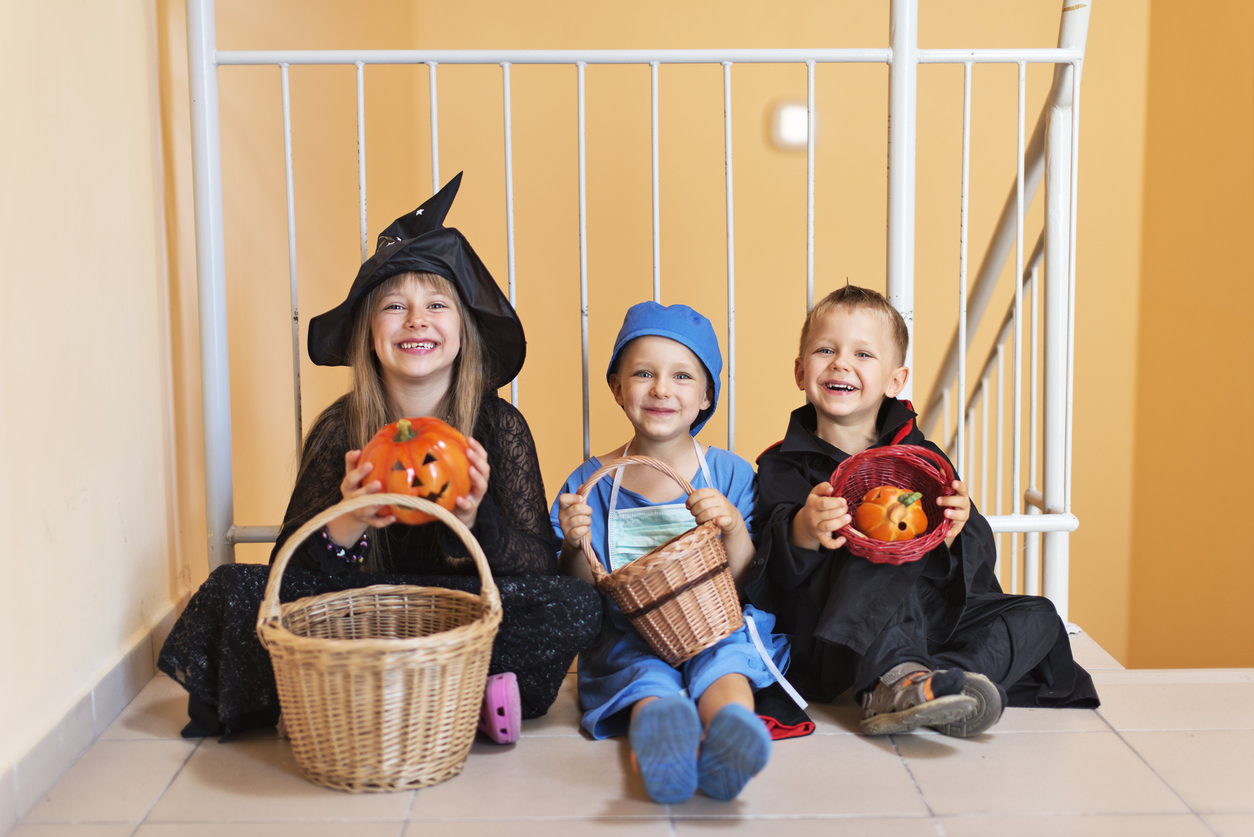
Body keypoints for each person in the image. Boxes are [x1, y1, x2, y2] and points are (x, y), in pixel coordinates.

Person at [159, 174, 601, 741]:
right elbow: (286, 571)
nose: (417, 319)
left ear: (463, 332)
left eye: (436, 304)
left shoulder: (498, 425)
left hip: (458, 614)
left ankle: (375, 693)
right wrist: (346, 520)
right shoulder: (342, 427)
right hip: (359, 614)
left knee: (572, 604)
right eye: (395, 306)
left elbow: (537, 563)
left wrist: (473, 522)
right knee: (232, 587)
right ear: (369, 334)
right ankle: (443, 696)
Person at [744, 285, 1098, 738]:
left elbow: (976, 567)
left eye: (863, 354)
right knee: (881, 544)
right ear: (800, 371)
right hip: (843, 634)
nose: (840, 363)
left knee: (1039, 615)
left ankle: (946, 687)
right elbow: (765, 569)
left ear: (895, 381)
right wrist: (803, 529)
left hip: (929, 624)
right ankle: (893, 679)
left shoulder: (921, 458)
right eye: (825, 349)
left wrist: (959, 527)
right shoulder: (782, 464)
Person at [552, 302, 798, 804]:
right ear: (617, 387)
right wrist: (575, 542)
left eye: (682, 376)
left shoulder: (728, 474)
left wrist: (730, 527)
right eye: (643, 373)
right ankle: (662, 740)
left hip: (715, 622)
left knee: (727, 661)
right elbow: (578, 588)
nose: (662, 389)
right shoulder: (590, 483)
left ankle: (731, 728)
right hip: (631, 630)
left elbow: (748, 576)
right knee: (646, 678)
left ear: (706, 394)